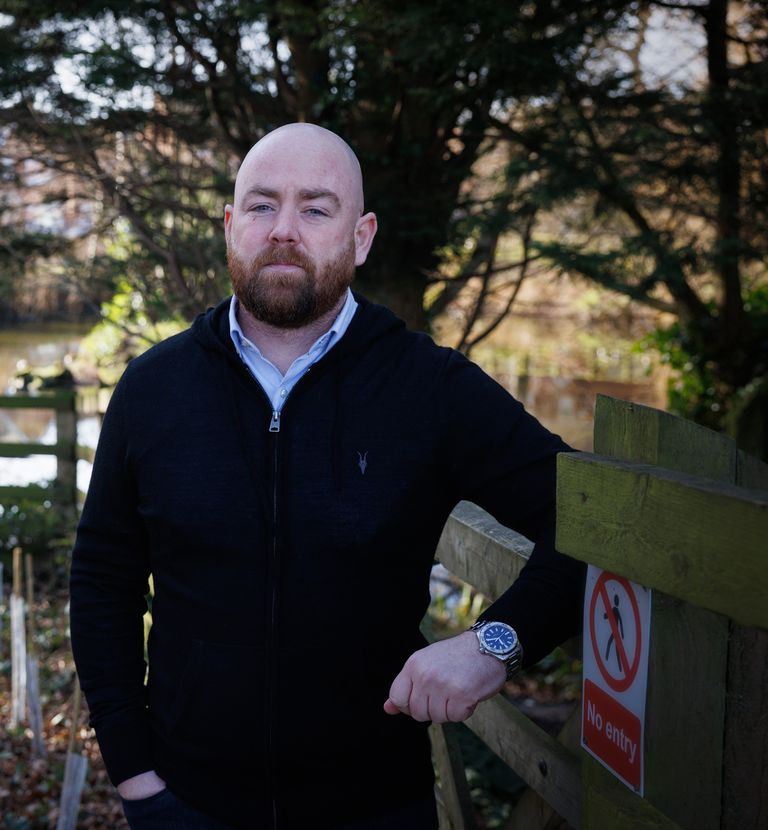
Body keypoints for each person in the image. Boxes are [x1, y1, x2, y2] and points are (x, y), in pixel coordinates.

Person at [69, 123, 584, 829]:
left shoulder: (429, 388)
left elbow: (591, 515)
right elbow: (103, 577)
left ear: (362, 236)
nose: (284, 229)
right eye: (261, 205)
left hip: (376, 806)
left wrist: (497, 642)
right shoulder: (152, 389)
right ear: (229, 226)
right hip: (186, 804)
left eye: (316, 208)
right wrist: (133, 775)